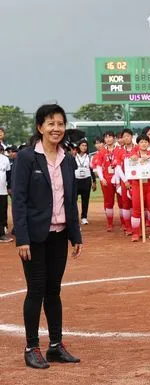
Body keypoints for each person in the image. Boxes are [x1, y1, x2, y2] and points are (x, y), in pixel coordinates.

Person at [11, 104, 83, 368]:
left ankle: (55, 345)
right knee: (37, 290)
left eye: (61, 124)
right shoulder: (27, 158)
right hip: (34, 236)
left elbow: (70, 200)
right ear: (40, 127)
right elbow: (18, 200)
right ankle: (31, 347)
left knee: (54, 290)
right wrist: (22, 238)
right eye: (51, 123)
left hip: (59, 234)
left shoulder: (68, 159)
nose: (57, 129)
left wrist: (75, 235)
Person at [74, 140, 96, 225]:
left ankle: (84, 217)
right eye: (82, 145)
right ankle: (74, 217)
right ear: (79, 146)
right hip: (76, 180)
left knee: (85, 200)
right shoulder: (74, 156)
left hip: (86, 181)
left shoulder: (89, 157)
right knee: (73, 200)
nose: (84, 147)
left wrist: (94, 181)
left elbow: (92, 170)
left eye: (85, 146)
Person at [0, 145, 12, 242]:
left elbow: (8, 175)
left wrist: (9, 187)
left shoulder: (5, 159)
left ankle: (2, 234)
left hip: (2, 191)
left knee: (2, 212)